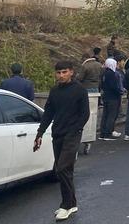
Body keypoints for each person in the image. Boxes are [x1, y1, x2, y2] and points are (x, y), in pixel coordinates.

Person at [34, 60, 89, 222]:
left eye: (64, 72)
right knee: (65, 170)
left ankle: (66, 205)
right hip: (57, 133)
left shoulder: (79, 90)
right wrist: (40, 133)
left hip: (72, 135)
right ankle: (71, 203)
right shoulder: (55, 91)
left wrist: (75, 129)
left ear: (71, 72)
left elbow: (84, 114)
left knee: (62, 168)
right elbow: (48, 113)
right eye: (58, 72)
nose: (61, 75)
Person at [99, 53, 125, 140]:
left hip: (106, 96)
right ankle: (108, 133)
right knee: (112, 115)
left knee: (105, 115)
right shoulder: (112, 74)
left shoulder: (104, 73)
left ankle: (103, 133)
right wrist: (120, 91)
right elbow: (115, 86)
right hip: (113, 97)